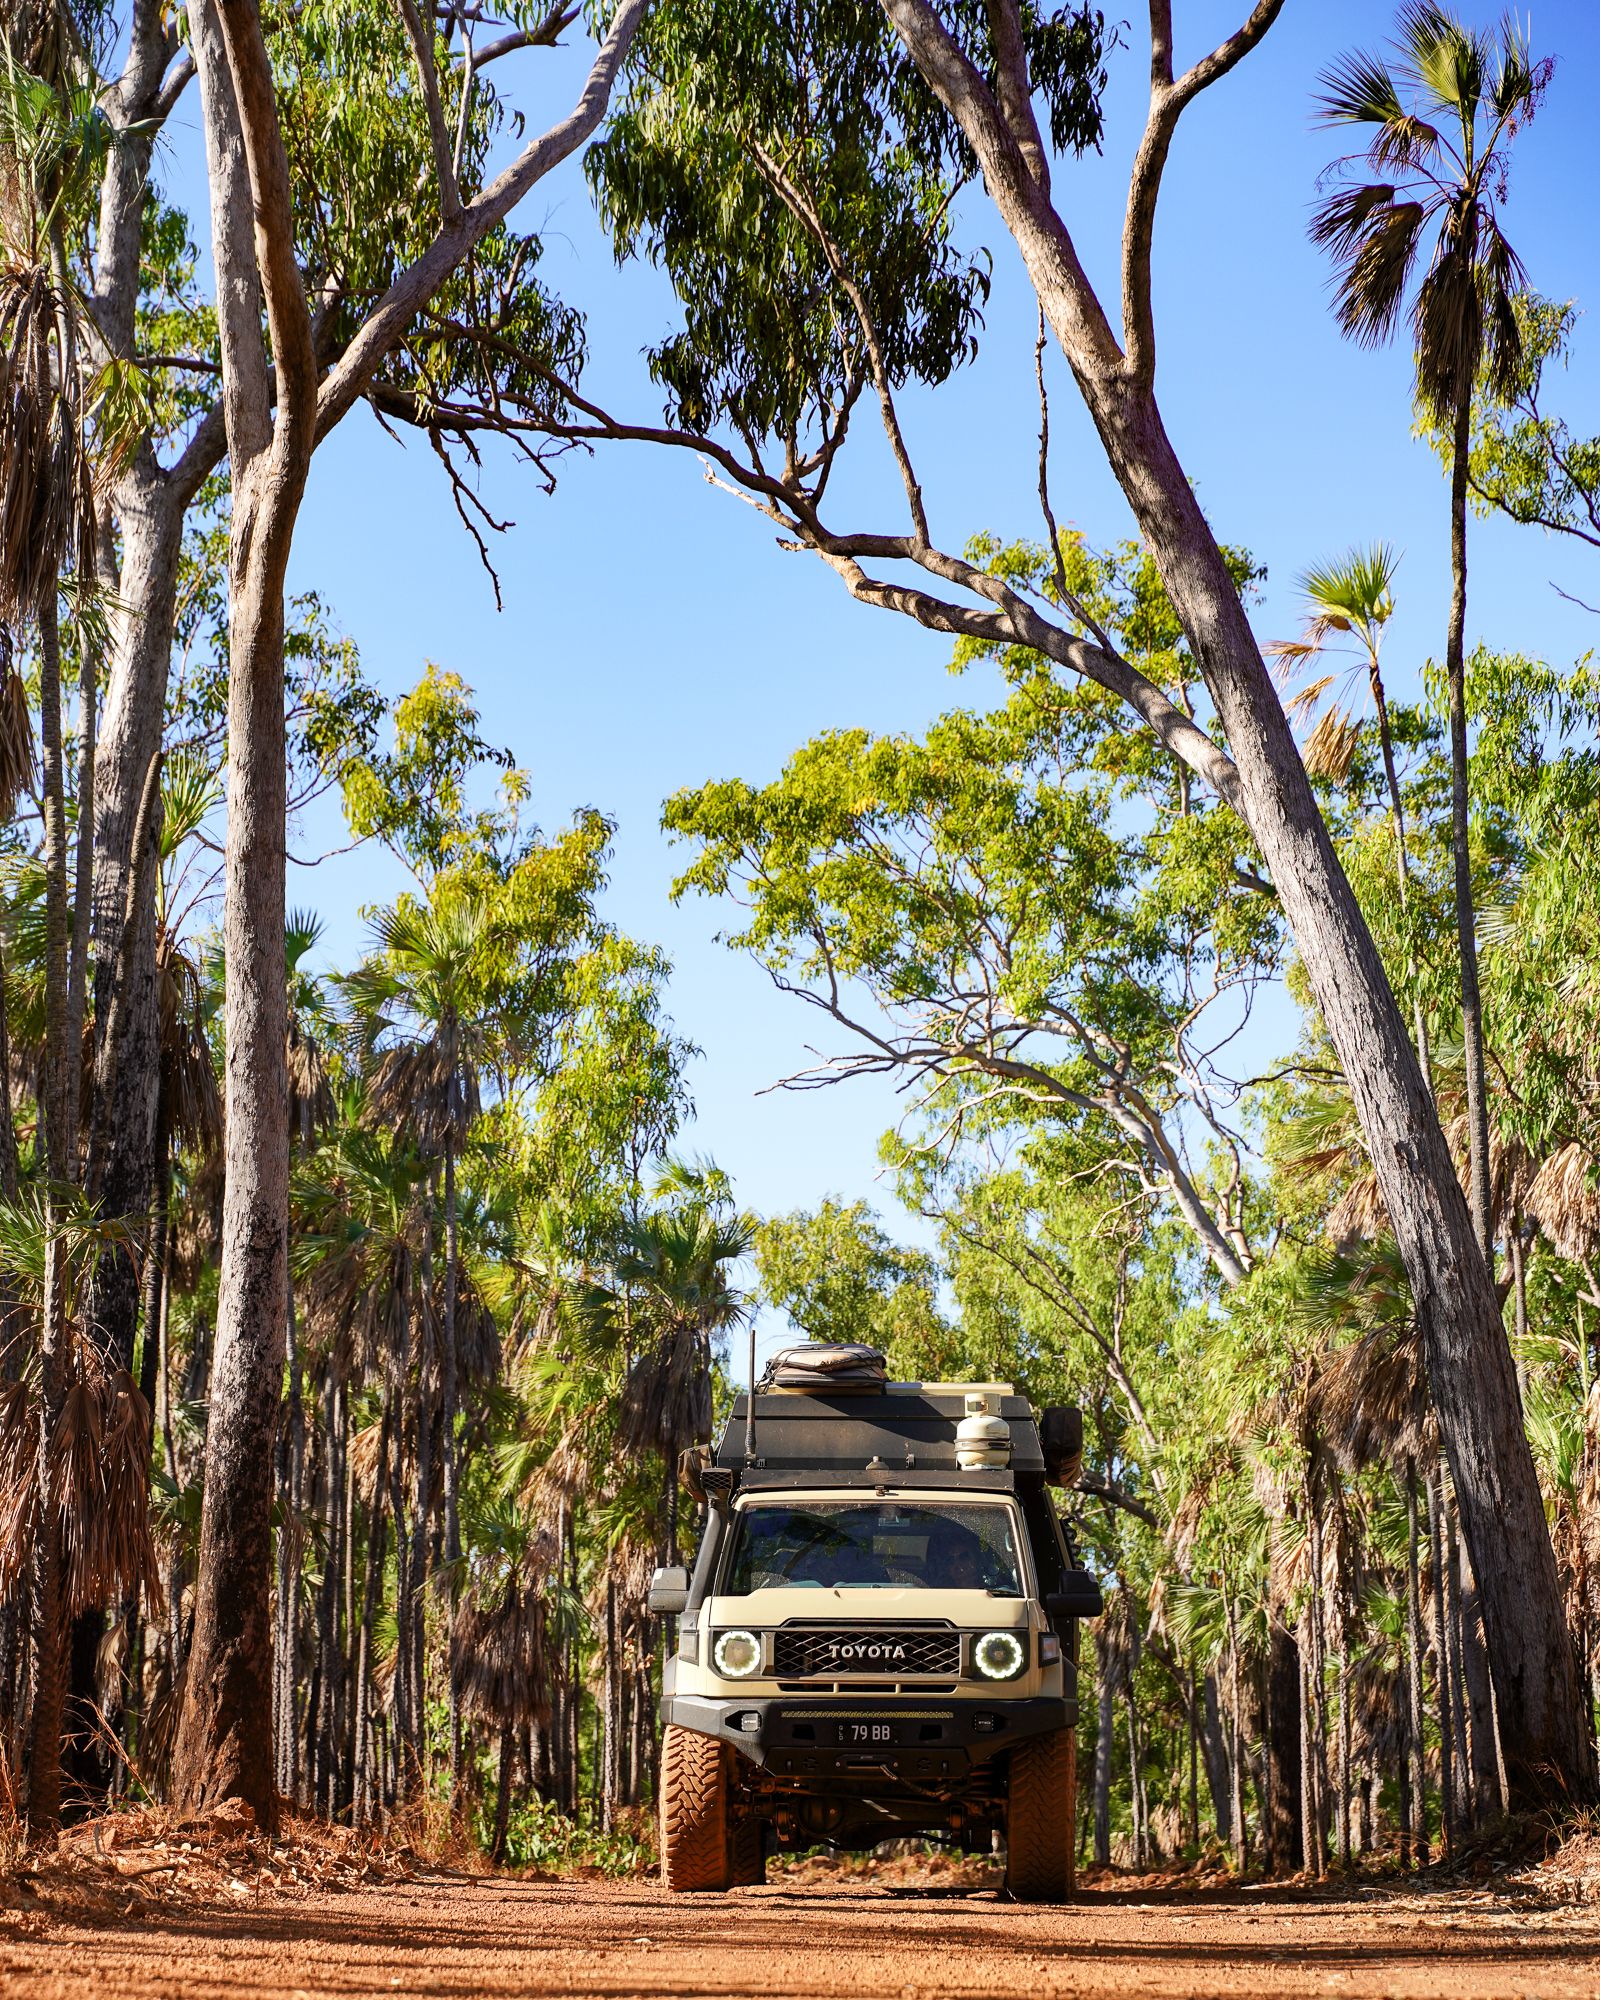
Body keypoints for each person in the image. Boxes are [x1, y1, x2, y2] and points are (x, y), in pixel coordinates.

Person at [925, 1523, 986, 1589]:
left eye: (964, 1557)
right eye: (950, 1561)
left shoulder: (991, 1591)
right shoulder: (938, 1592)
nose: (957, 1566)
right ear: (948, 1570)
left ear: (976, 1561)